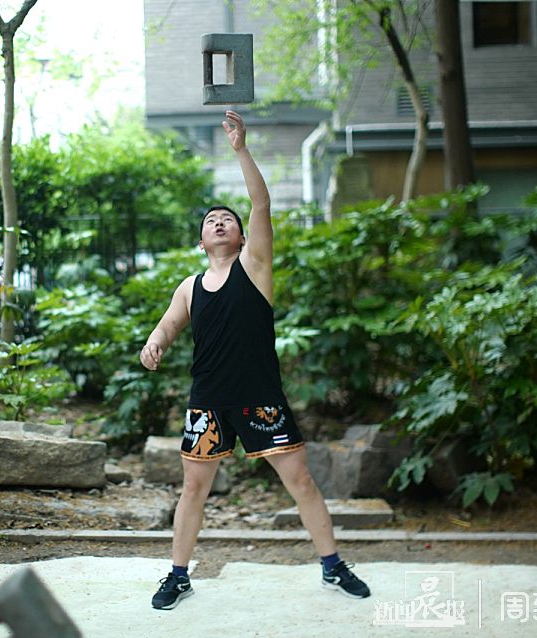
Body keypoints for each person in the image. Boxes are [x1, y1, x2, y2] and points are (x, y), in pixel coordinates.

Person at [140, 111, 371, 610]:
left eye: (228, 219)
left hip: (261, 398)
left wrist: (240, 148)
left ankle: (333, 566)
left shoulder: (255, 266)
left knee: (300, 480)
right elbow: (168, 325)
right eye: (210, 221)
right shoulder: (189, 287)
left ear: (243, 237)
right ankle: (178, 576)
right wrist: (153, 343)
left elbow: (260, 202)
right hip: (208, 401)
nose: (219, 221)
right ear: (201, 241)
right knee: (193, 489)